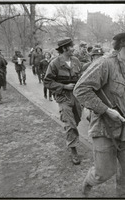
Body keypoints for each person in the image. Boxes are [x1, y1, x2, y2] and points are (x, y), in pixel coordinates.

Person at [73, 25, 125, 197]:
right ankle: (88, 183)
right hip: (104, 129)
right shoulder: (105, 63)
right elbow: (80, 90)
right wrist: (106, 110)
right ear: (123, 41)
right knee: (104, 173)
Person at [43, 37, 83, 165]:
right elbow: (47, 82)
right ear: (64, 48)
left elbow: (81, 76)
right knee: (70, 124)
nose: (73, 48)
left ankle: (71, 137)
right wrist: (64, 86)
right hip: (63, 97)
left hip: (76, 96)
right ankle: (73, 150)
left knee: (76, 120)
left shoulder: (76, 61)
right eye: (71, 47)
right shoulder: (54, 63)